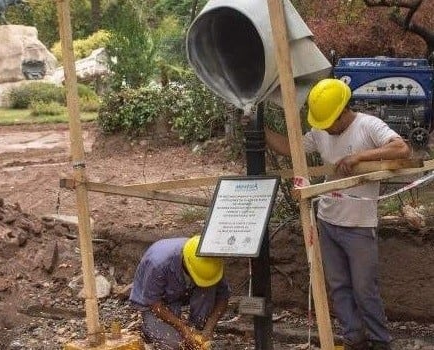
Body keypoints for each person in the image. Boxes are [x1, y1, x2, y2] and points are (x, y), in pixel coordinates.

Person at [264, 79, 411, 350]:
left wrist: (360, 157)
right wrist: (261, 132)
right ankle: (354, 339)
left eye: (329, 123)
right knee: (339, 286)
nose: (325, 129)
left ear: (343, 112)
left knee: (365, 290)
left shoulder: (368, 125)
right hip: (328, 221)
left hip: (359, 224)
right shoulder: (321, 131)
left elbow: (402, 149)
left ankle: (380, 342)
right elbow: (290, 147)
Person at [129, 235, 230, 350]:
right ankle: (148, 327)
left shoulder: (212, 262)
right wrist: (183, 328)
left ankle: (197, 327)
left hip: (183, 291)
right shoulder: (158, 264)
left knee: (208, 288)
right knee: (174, 345)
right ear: (187, 266)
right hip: (157, 301)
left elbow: (223, 296)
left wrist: (209, 328)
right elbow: (154, 303)